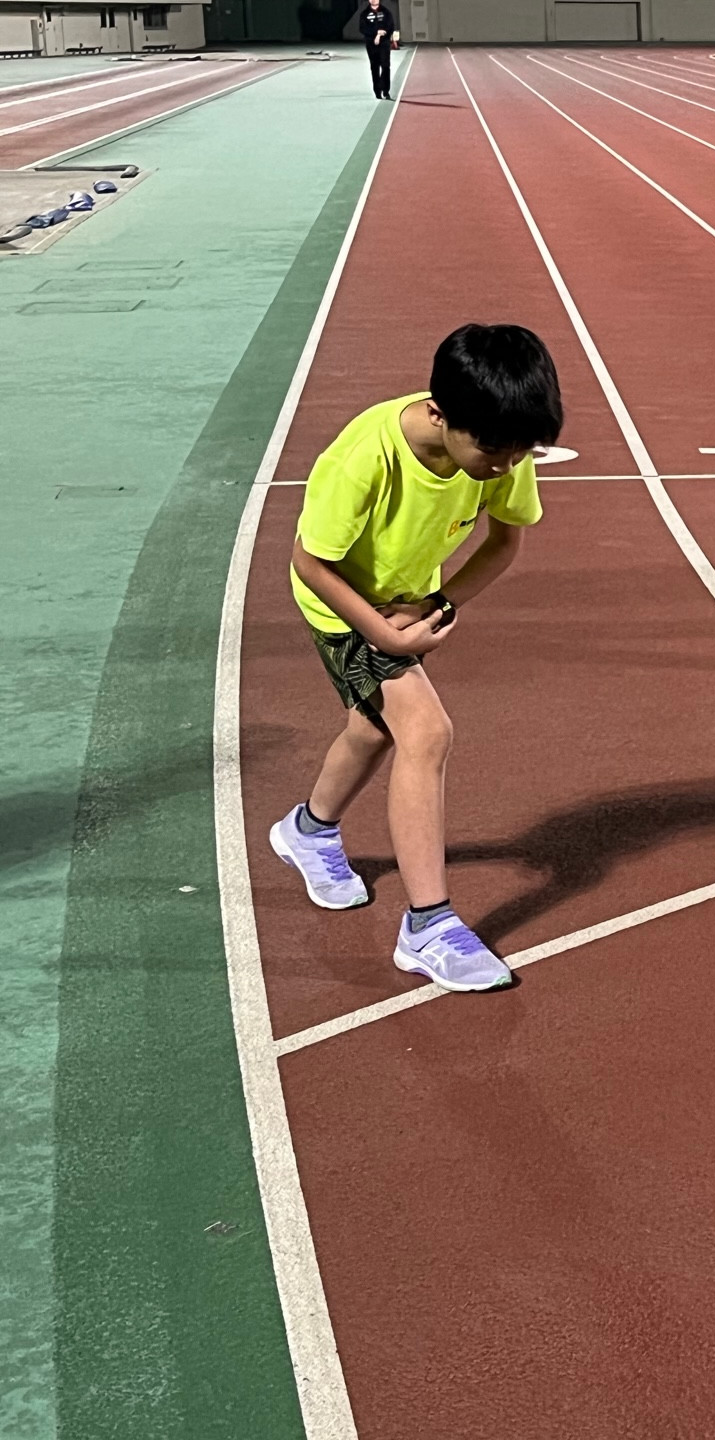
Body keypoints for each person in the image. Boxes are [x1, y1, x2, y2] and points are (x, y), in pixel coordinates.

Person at [269, 324, 561, 992]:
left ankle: (309, 830)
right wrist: (386, 634)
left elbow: (503, 543)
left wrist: (437, 603)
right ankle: (428, 927)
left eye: (522, 453)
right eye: (493, 451)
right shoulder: (364, 457)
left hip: (405, 600)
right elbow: (310, 562)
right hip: (340, 604)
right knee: (426, 731)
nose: (506, 466)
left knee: (376, 728)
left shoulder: (501, 444)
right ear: (438, 415)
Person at [360, 0, 398, 100]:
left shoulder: (386, 12)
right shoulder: (364, 14)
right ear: (369, 0)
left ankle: (385, 90)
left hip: (384, 43)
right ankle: (377, 91)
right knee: (374, 67)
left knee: (385, 66)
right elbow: (362, 28)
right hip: (371, 44)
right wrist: (375, 33)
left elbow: (390, 26)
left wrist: (383, 33)